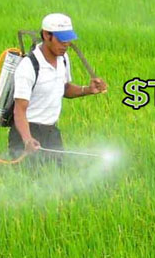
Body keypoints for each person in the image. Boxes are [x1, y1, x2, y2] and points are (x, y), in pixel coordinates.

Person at [9, 13, 108, 161]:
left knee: (59, 176)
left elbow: (64, 88)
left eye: (68, 40)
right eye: (61, 40)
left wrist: (87, 90)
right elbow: (19, 110)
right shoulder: (29, 67)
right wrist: (27, 139)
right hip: (27, 132)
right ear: (46, 35)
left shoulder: (63, 59)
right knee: (30, 179)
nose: (66, 45)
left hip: (52, 132)